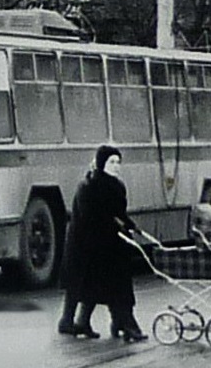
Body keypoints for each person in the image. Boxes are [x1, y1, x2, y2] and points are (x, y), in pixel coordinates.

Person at [57, 145, 148, 343]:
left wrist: (131, 226)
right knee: (102, 283)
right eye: (111, 162)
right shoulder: (88, 186)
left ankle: (84, 322)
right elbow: (92, 216)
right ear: (101, 164)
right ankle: (124, 323)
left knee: (93, 285)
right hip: (86, 245)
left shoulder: (117, 186)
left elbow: (119, 213)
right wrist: (116, 225)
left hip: (105, 243)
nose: (116, 166)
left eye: (118, 162)